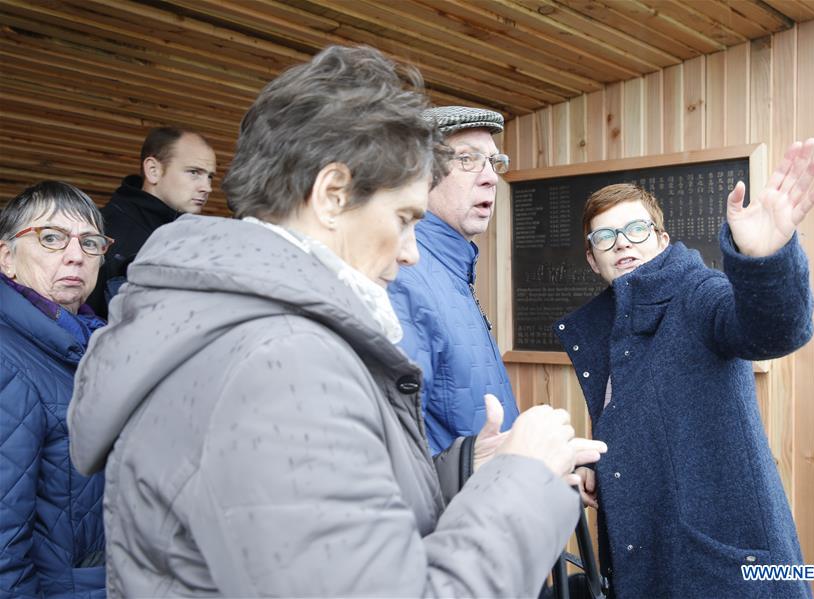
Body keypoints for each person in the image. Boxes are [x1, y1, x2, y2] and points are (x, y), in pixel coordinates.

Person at [67, 45, 604, 597]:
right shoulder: (279, 364)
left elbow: (321, 523)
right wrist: (526, 480)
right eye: (402, 218)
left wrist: (471, 467)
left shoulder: (240, 330)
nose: (411, 252)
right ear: (331, 196)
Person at [555, 140, 814, 599]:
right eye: (605, 237)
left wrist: (765, 260)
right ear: (591, 258)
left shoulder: (698, 293)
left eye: (637, 229)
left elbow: (775, 331)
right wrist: (602, 464)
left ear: (662, 240)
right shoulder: (609, 326)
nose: (622, 243)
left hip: (723, 572)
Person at [0, 181, 112, 597]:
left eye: (91, 242)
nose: (75, 255)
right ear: (6, 257)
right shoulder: (8, 359)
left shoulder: (91, 342)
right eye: (51, 238)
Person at [388, 105, 517, 455]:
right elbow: (400, 453)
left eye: (494, 162)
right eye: (467, 160)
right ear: (417, 175)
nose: (490, 177)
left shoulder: (451, 269)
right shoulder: (404, 278)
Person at [85, 126, 216, 318]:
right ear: (153, 170)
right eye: (194, 172)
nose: (207, 187)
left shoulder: (199, 241)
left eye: (210, 176)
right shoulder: (100, 233)